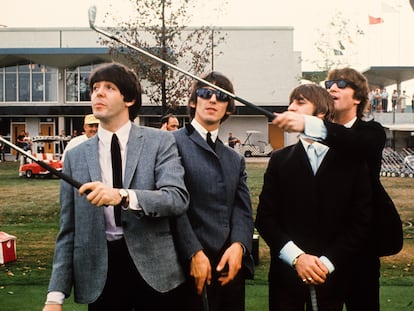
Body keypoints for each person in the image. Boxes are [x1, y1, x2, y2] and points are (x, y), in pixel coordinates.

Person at [42, 62, 189, 311]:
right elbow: (68, 230)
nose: (98, 93)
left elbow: (176, 198)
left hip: (155, 272)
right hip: (99, 274)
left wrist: (122, 196)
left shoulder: (160, 142)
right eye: (95, 88)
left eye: (109, 87)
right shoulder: (75, 155)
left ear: (129, 99)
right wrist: (55, 296)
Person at [271, 67, 403, 310]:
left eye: (341, 84)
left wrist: (309, 123)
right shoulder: (311, 137)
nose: (332, 87)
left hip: (361, 245)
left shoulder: (370, 133)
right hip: (321, 245)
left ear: (358, 97)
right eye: (329, 82)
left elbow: (351, 142)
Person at [256, 83, 373, 310]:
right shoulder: (280, 159)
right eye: (291, 102)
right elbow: (266, 218)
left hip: (332, 277)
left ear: (321, 112)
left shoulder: (352, 160)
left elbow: (361, 222)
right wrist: (298, 258)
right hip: (285, 280)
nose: (291, 107)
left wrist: (326, 264)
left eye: (300, 102)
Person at [172, 71, 254, 311]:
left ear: (228, 108)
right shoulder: (171, 143)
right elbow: (173, 205)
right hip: (186, 266)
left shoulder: (234, 158)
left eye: (221, 95)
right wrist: (193, 252)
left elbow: (242, 209)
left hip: (229, 268)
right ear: (193, 101)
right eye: (205, 93)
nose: (213, 100)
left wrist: (239, 245)